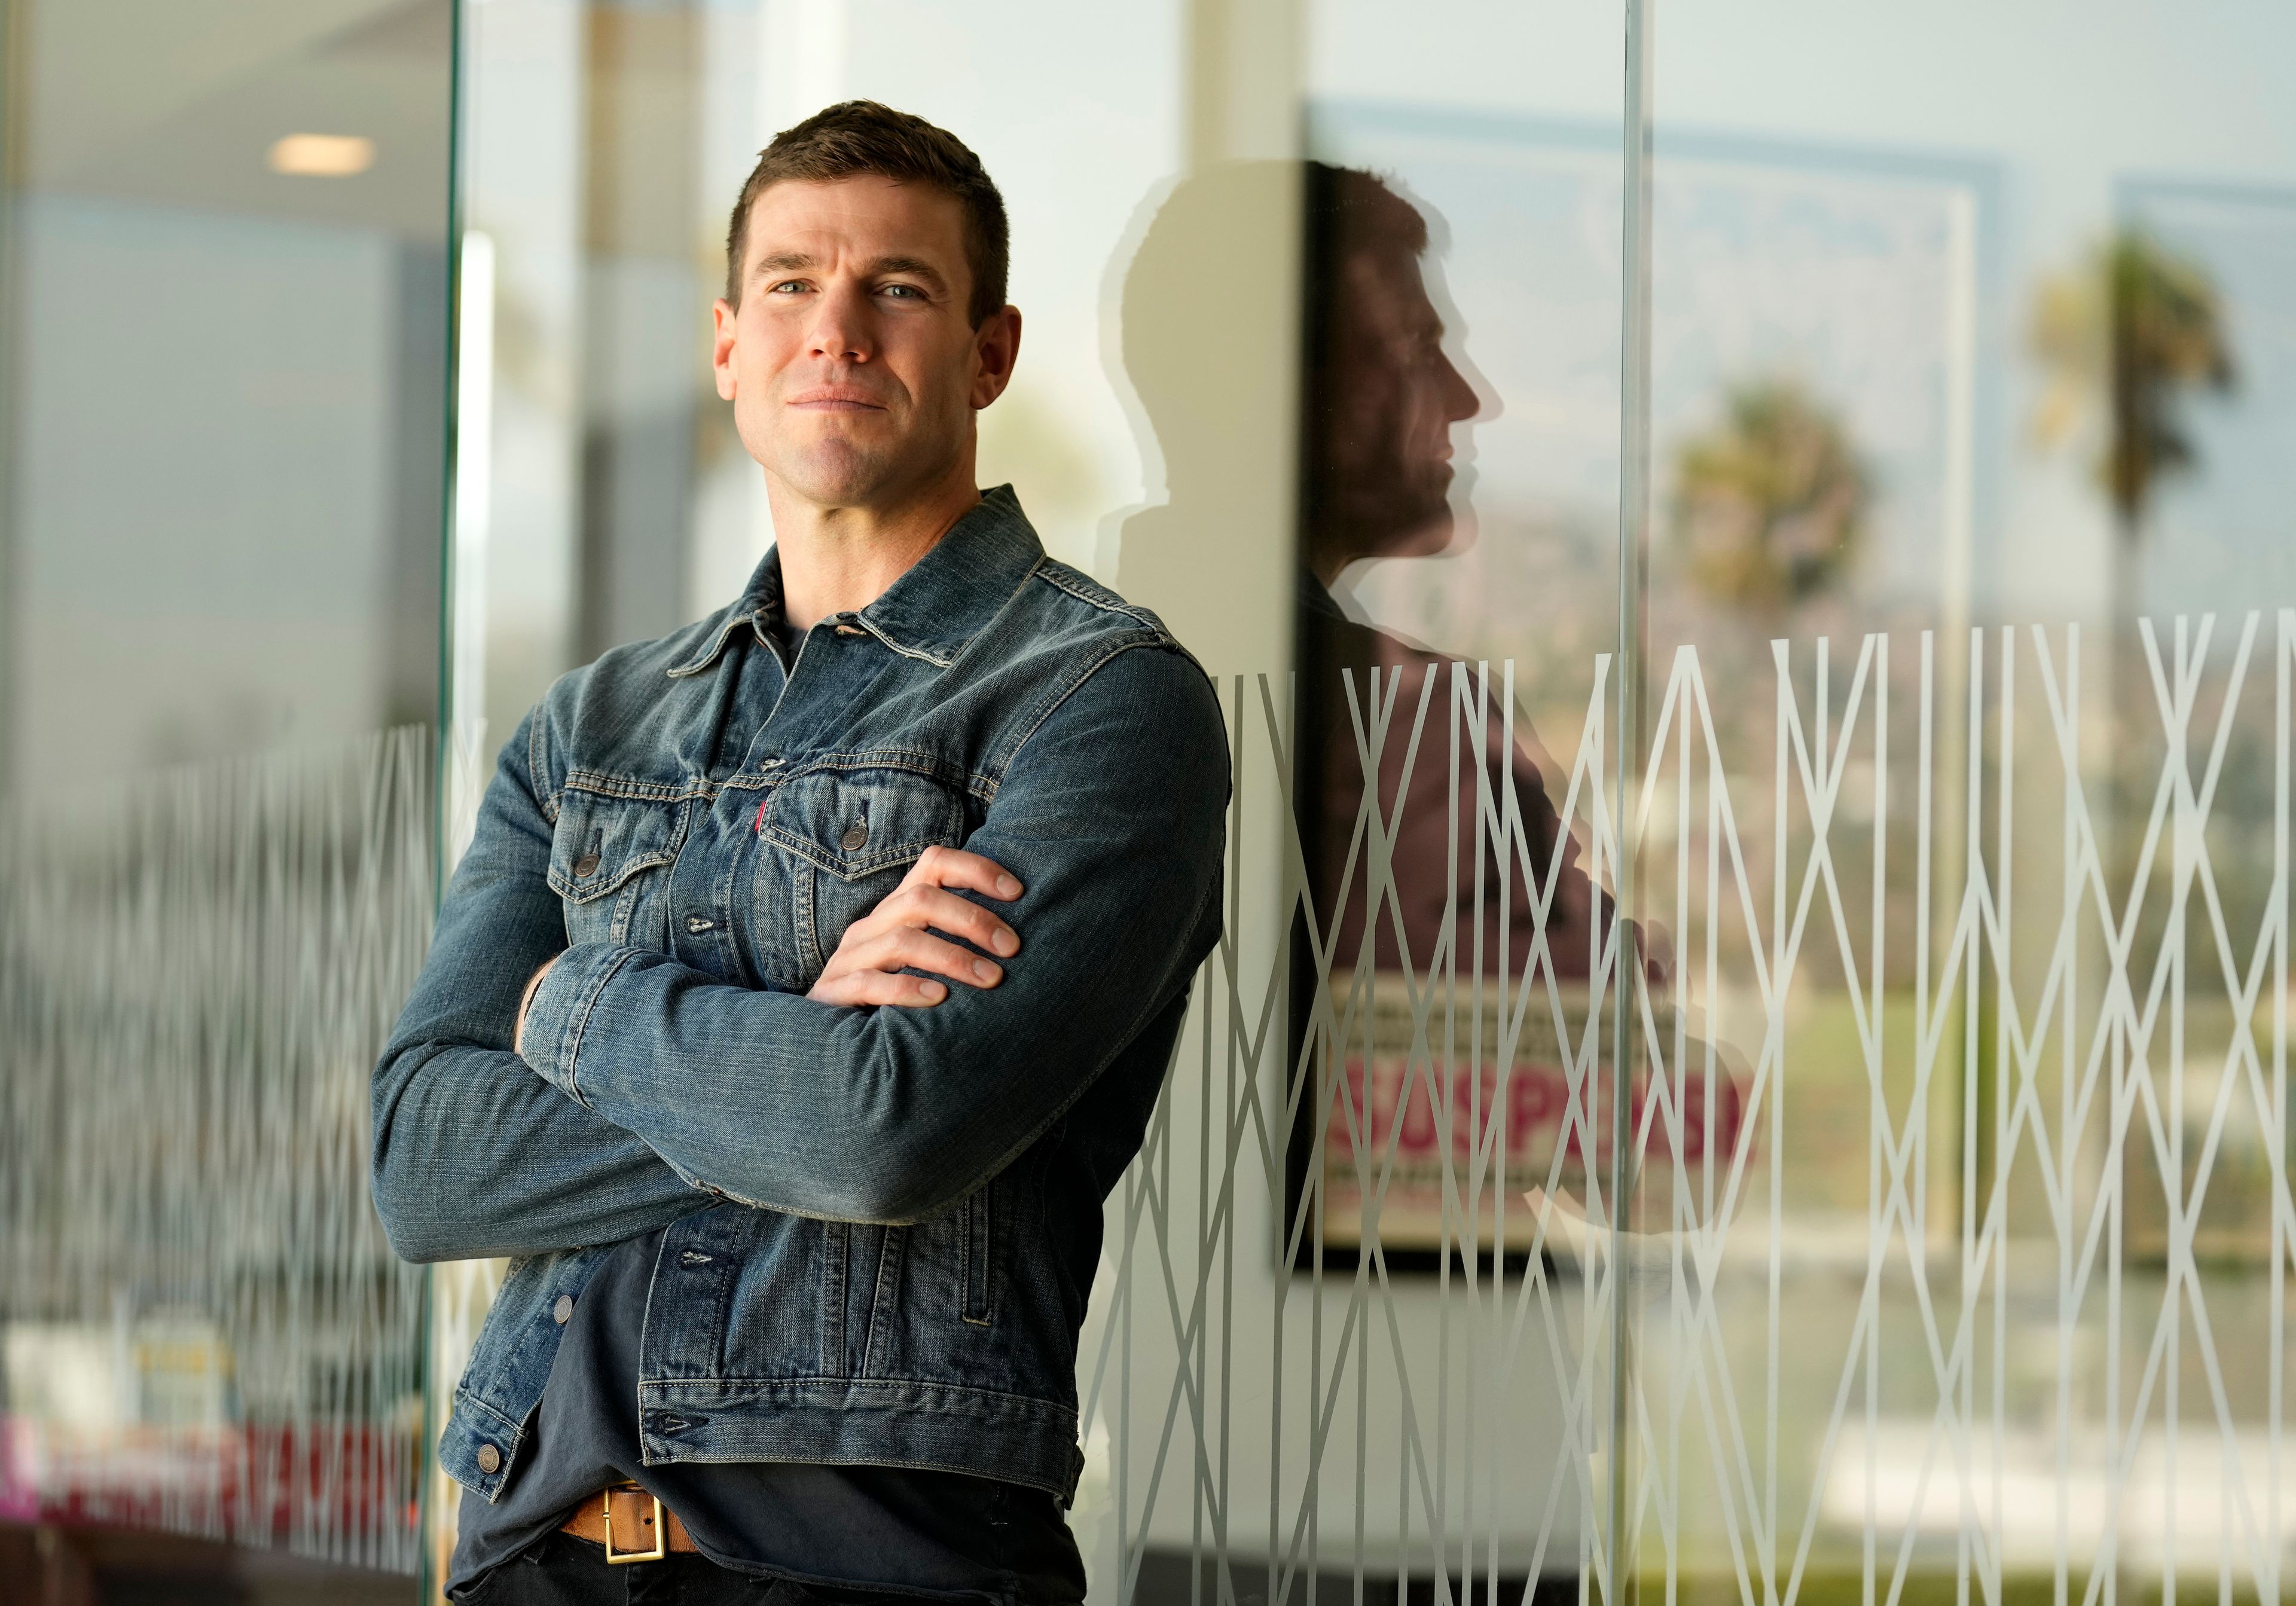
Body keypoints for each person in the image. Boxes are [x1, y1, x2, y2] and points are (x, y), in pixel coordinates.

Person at [370, 102, 1229, 1605]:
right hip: (530, 1554)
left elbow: (882, 1134)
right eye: (790, 284)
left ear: (989, 351)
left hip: (876, 1573)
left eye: (896, 286)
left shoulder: (1100, 699)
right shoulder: (594, 725)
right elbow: (425, 1161)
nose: (835, 328)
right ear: (727, 344)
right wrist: (796, 1039)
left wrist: (569, 1010)